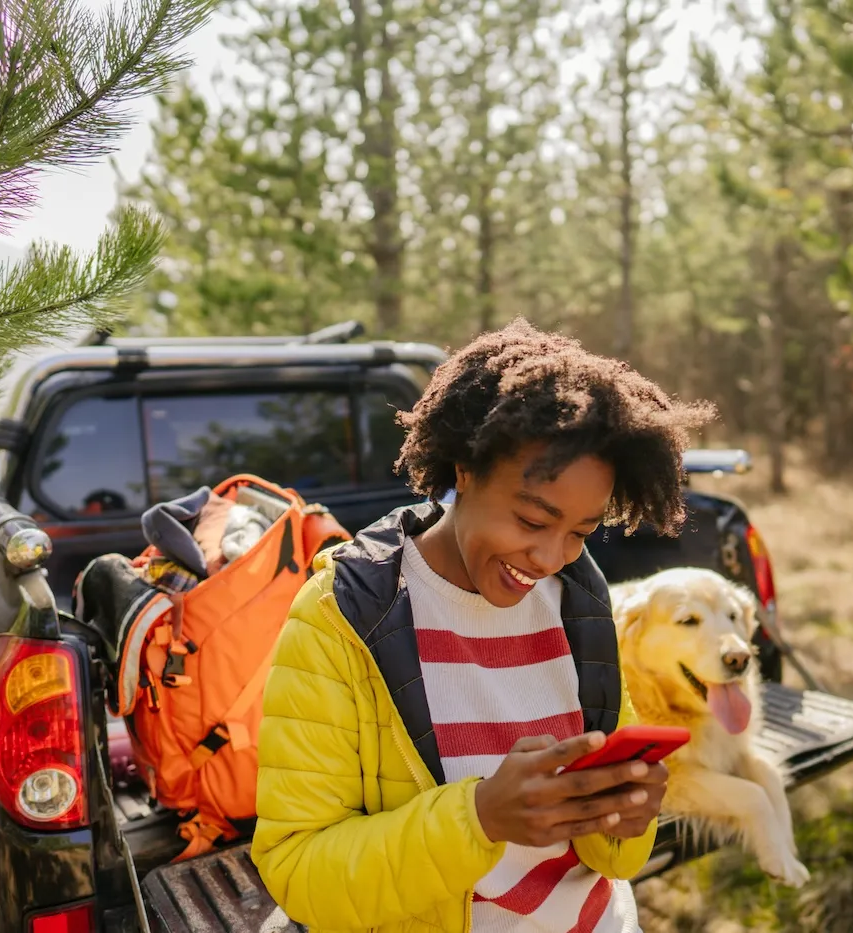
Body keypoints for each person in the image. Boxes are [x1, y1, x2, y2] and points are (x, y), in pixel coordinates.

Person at [251, 319, 715, 933]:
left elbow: (615, 860)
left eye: (578, 532)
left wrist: (628, 816)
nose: (550, 558)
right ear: (464, 469)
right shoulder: (345, 616)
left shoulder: (580, 599)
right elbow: (300, 872)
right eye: (530, 519)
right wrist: (480, 819)